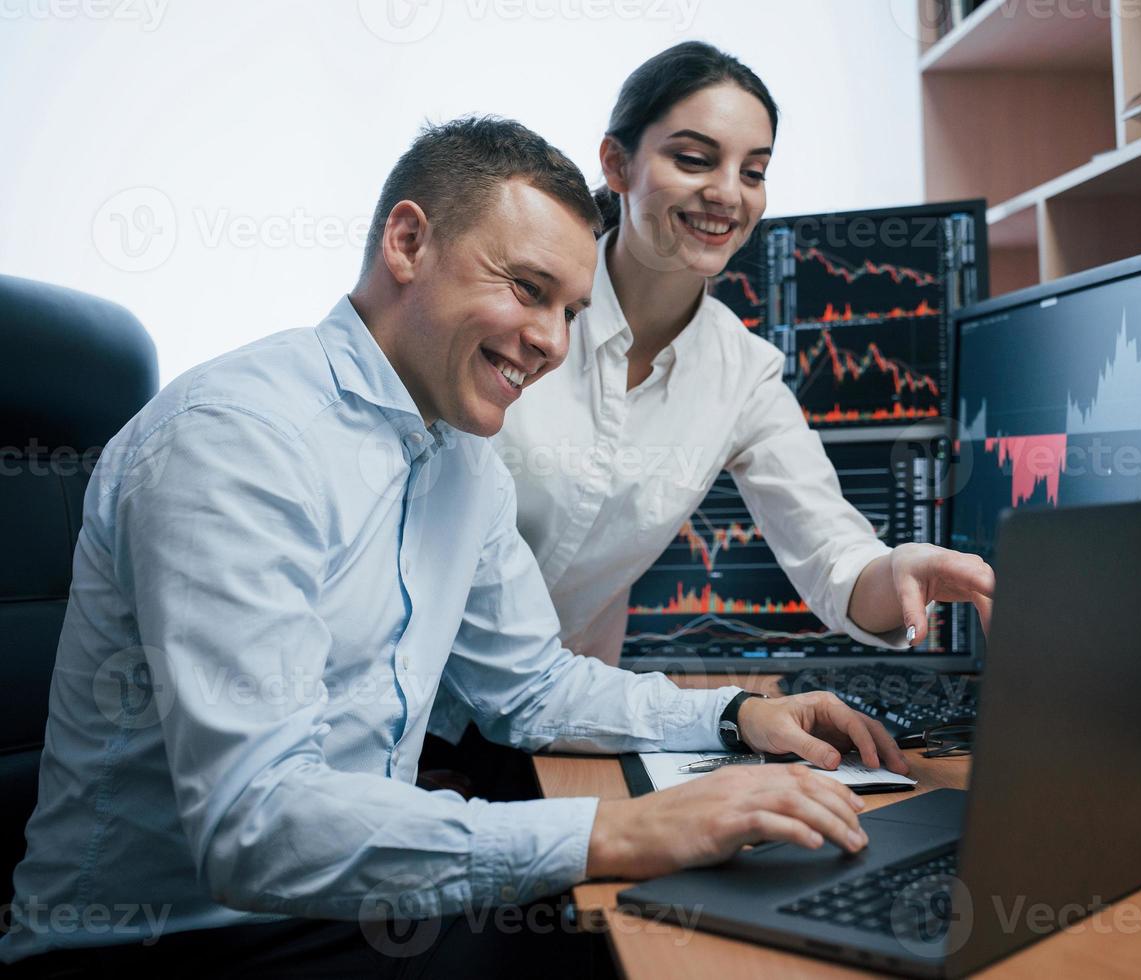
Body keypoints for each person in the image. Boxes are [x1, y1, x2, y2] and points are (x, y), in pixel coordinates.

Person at [1, 115, 910, 977]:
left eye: (570, 309)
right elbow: (257, 824)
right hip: (163, 946)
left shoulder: (460, 459)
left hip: (337, 909)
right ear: (407, 243)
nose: (553, 343)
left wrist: (737, 718)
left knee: (698, 919)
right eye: (526, 289)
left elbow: (531, 688)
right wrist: (621, 830)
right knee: (650, 949)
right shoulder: (237, 439)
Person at [426, 43, 996, 758]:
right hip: (403, 707)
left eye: (753, 171)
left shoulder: (741, 372)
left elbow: (834, 559)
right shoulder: (518, 317)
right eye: (694, 160)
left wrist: (899, 570)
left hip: (558, 724)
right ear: (615, 164)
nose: (728, 192)